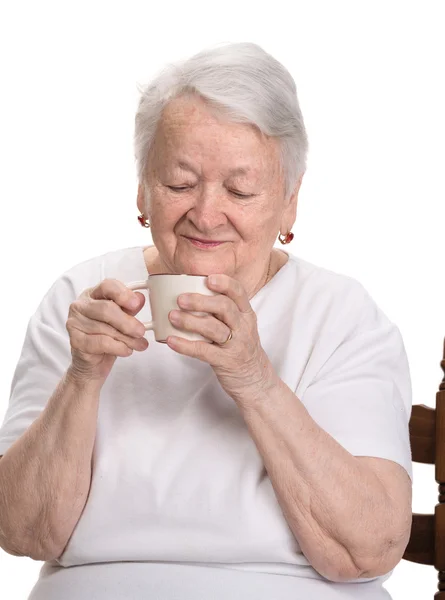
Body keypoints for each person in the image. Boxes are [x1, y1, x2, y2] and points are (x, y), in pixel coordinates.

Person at [0, 42, 412, 600]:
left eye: (240, 190)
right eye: (179, 183)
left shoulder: (342, 316)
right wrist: (82, 377)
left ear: (290, 202)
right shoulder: (84, 299)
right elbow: (23, 532)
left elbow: (368, 549)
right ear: (143, 190)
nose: (206, 214)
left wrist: (255, 381)